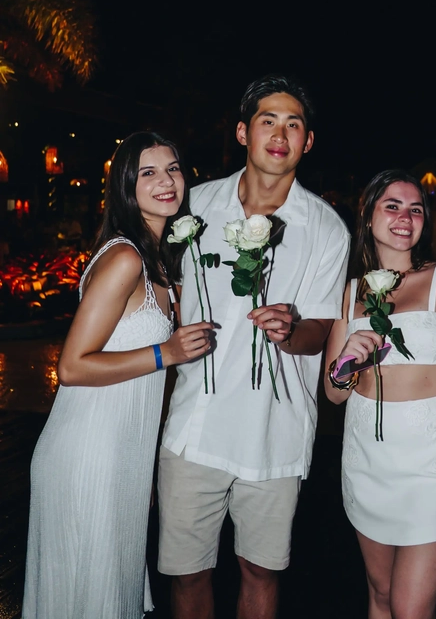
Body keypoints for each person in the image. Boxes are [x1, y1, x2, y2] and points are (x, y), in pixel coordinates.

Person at [158, 75, 350, 619]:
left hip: (276, 430)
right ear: (243, 132)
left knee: (260, 571)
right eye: (268, 121)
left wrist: (291, 330)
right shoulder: (194, 206)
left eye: (294, 124)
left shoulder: (326, 228)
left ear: (308, 141)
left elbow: (320, 330)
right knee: (188, 572)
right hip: (194, 427)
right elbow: (160, 289)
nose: (280, 134)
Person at [23, 132, 214, 619]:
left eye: (172, 169)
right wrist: (166, 352)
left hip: (124, 454)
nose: (165, 181)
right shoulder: (125, 258)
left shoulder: (159, 260)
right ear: (125, 187)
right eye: (148, 173)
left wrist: (144, 466)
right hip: (88, 452)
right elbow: (71, 366)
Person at [324, 169, 436, 619]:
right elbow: (334, 394)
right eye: (392, 206)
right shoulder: (348, 293)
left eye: (415, 209)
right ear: (368, 215)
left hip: (434, 465)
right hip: (367, 463)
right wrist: (345, 365)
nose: (405, 217)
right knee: (380, 595)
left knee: (410, 607)